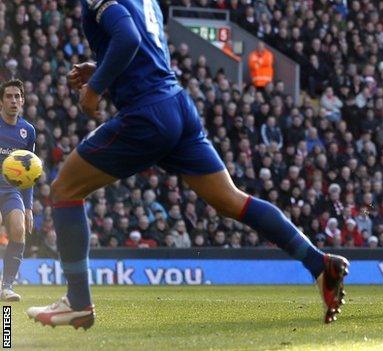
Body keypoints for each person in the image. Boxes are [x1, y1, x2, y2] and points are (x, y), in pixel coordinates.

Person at [26, 0, 348, 329]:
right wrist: (102, 69)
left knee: (65, 189)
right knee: (230, 199)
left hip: (146, 114)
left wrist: (95, 88)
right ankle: (319, 264)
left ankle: (78, 303)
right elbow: (145, 50)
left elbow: (129, 38)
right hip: (177, 104)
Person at [0, 79, 36, 302]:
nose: (13, 100)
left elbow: (29, 171)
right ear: (1, 101)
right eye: (9, 96)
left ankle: (7, 287)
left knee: (18, 229)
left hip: (11, 190)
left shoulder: (28, 131)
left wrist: (29, 207)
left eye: (17, 97)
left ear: (22, 101)